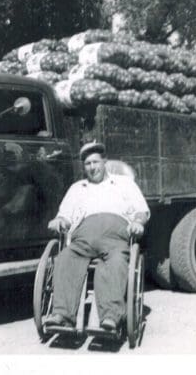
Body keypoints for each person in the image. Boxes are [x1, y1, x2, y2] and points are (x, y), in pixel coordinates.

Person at [45, 141, 150, 331]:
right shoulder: (78, 187)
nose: (92, 168)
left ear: (105, 162)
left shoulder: (124, 183)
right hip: (83, 237)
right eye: (88, 164)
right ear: (84, 167)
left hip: (115, 236)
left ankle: (110, 317)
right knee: (65, 258)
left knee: (116, 262)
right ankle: (61, 314)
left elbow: (142, 210)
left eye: (96, 162)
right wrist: (59, 220)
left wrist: (137, 222)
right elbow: (65, 215)